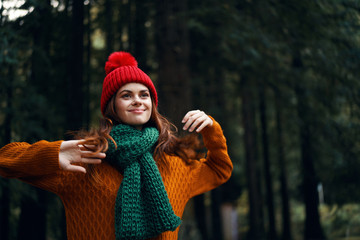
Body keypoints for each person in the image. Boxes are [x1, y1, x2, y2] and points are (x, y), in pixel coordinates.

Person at [0, 51, 232, 240]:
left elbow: (219, 170)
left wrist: (212, 129)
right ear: (112, 105)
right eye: (126, 95)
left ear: (152, 103)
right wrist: (53, 153)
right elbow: (5, 158)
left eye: (144, 94)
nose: (138, 101)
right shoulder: (86, 159)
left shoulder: (173, 163)